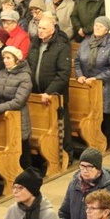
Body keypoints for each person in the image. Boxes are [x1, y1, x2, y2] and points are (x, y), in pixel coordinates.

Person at [27, 16, 73, 156]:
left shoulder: (61, 46)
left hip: (55, 96)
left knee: (61, 127)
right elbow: (30, 65)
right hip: (37, 93)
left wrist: (49, 92)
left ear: (52, 30)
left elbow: (63, 74)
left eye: (44, 29)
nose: (40, 31)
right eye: (39, 28)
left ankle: (65, 155)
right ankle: (45, 155)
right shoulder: (35, 43)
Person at [0, 45, 32, 169]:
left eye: (8, 58)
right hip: (2, 116)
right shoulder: (1, 73)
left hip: (18, 117)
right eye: (4, 58)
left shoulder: (25, 77)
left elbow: (18, 101)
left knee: (22, 149)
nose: (5, 60)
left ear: (17, 60)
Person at [75, 16, 110, 142]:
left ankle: (105, 140)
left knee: (104, 113)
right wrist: (80, 75)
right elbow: (77, 61)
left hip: (104, 86)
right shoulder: (85, 42)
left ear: (106, 30)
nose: (97, 28)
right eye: (96, 25)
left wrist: (96, 78)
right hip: (86, 84)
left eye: (101, 26)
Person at [59, 148, 110, 219]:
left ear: (98, 169)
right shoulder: (74, 185)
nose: (85, 170)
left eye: (89, 167)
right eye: (82, 166)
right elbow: (64, 213)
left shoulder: (108, 189)